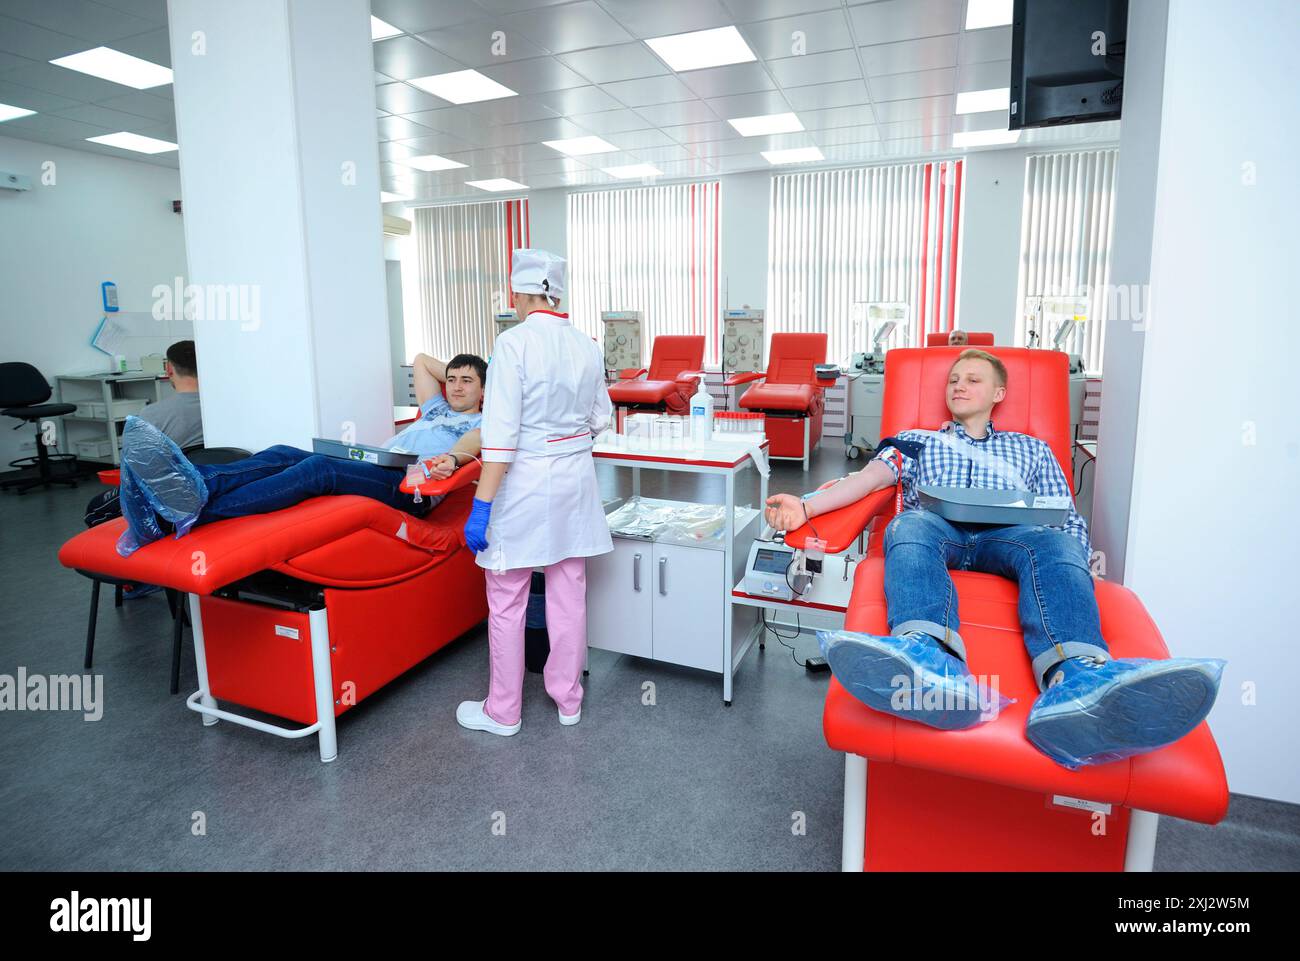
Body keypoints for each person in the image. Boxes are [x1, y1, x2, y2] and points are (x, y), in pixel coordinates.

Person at [764, 348, 1223, 769]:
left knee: (1057, 542)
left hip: (1011, 539)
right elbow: (864, 481)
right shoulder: (916, 439)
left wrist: (1074, 567)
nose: (959, 386)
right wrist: (804, 505)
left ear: (999, 394)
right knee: (909, 524)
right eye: (954, 380)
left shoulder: (1032, 449)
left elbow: (1061, 513)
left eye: (974, 380)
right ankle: (928, 660)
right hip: (938, 531)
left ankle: (1079, 681)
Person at [456, 248, 613, 736]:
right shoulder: (587, 345)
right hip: (575, 481)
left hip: (524, 482)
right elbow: (601, 420)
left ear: (520, 295)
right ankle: (569, 700)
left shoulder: (513, 344)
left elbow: (500, 436)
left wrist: (481, 506)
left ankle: (503, 711)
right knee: (569, 591)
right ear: (558, 294)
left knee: (506, 595)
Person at [114, 354, 486, 553]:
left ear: (485, 390)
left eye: (466, 381)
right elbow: (421, 360)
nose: (454, 386)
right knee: (284, 452)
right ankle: (197, 482)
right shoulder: (435, 407)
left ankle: (176, 517)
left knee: (320, 470)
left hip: (411, 489)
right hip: (381, 464)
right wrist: (463, 369)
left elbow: (470, 447)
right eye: (451, 379)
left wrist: (492, 381)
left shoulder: (485, 421)